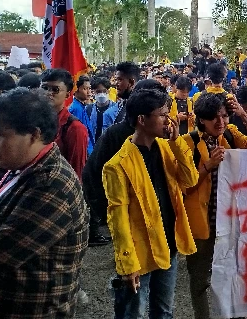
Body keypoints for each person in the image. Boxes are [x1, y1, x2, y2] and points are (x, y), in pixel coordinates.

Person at [0, 88, 89, 317]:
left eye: (0, 135)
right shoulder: (15, 167)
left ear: (34, 135)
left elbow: (1, 253)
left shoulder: (53, 184)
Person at [104, 89, 197, 318]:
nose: (169, 120)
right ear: (142, 120)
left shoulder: (167, 148)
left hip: (168, 244)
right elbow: (118, 219)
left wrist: (177, 144)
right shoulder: (117, 165)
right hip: (140, 251)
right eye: (162, 114)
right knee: (133, 313)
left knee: (164, 312)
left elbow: (190, 179)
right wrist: (127, 263)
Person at [182, 92, 247, 319]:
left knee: (235, 273)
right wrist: (207, 166)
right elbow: (183, 186)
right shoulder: (186, 143)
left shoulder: (229, 135)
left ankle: (237, 315)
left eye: (225, 116)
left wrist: (243, 116)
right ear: (201, 120)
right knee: (200, 279)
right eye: (214, 118)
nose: (221, 122)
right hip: (202, 222)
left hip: (230, 220)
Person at [82, 80, 166, 250]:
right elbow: (96, 173)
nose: (167, 118)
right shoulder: (118, 135)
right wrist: (108, 212)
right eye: (161, 112)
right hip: (130, 217)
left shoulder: (162, 139)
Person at [40, 69, 89, 179]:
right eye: (45, 88)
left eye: (55, 89)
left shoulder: (75, 128)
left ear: (67, 95)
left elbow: (76, 171)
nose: (48, 93)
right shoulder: (35, 121)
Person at [104, 61, 140, 130]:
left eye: (120, 80)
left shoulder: (145, 109)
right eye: (116, 79)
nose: (116, 84)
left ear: (131, 82)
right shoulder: (113, 111)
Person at [68, 75, 96, 155]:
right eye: (85, 89)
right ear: (76, 90)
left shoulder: (81, 106)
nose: (88, 92)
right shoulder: (76, 109)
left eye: (89, 88)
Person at [89, 76, 118, 143]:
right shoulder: (88, 109)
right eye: (98, 92)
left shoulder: (116, 109)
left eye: (104, 91)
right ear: (93, 92)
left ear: (108, 91)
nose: (102, 94)